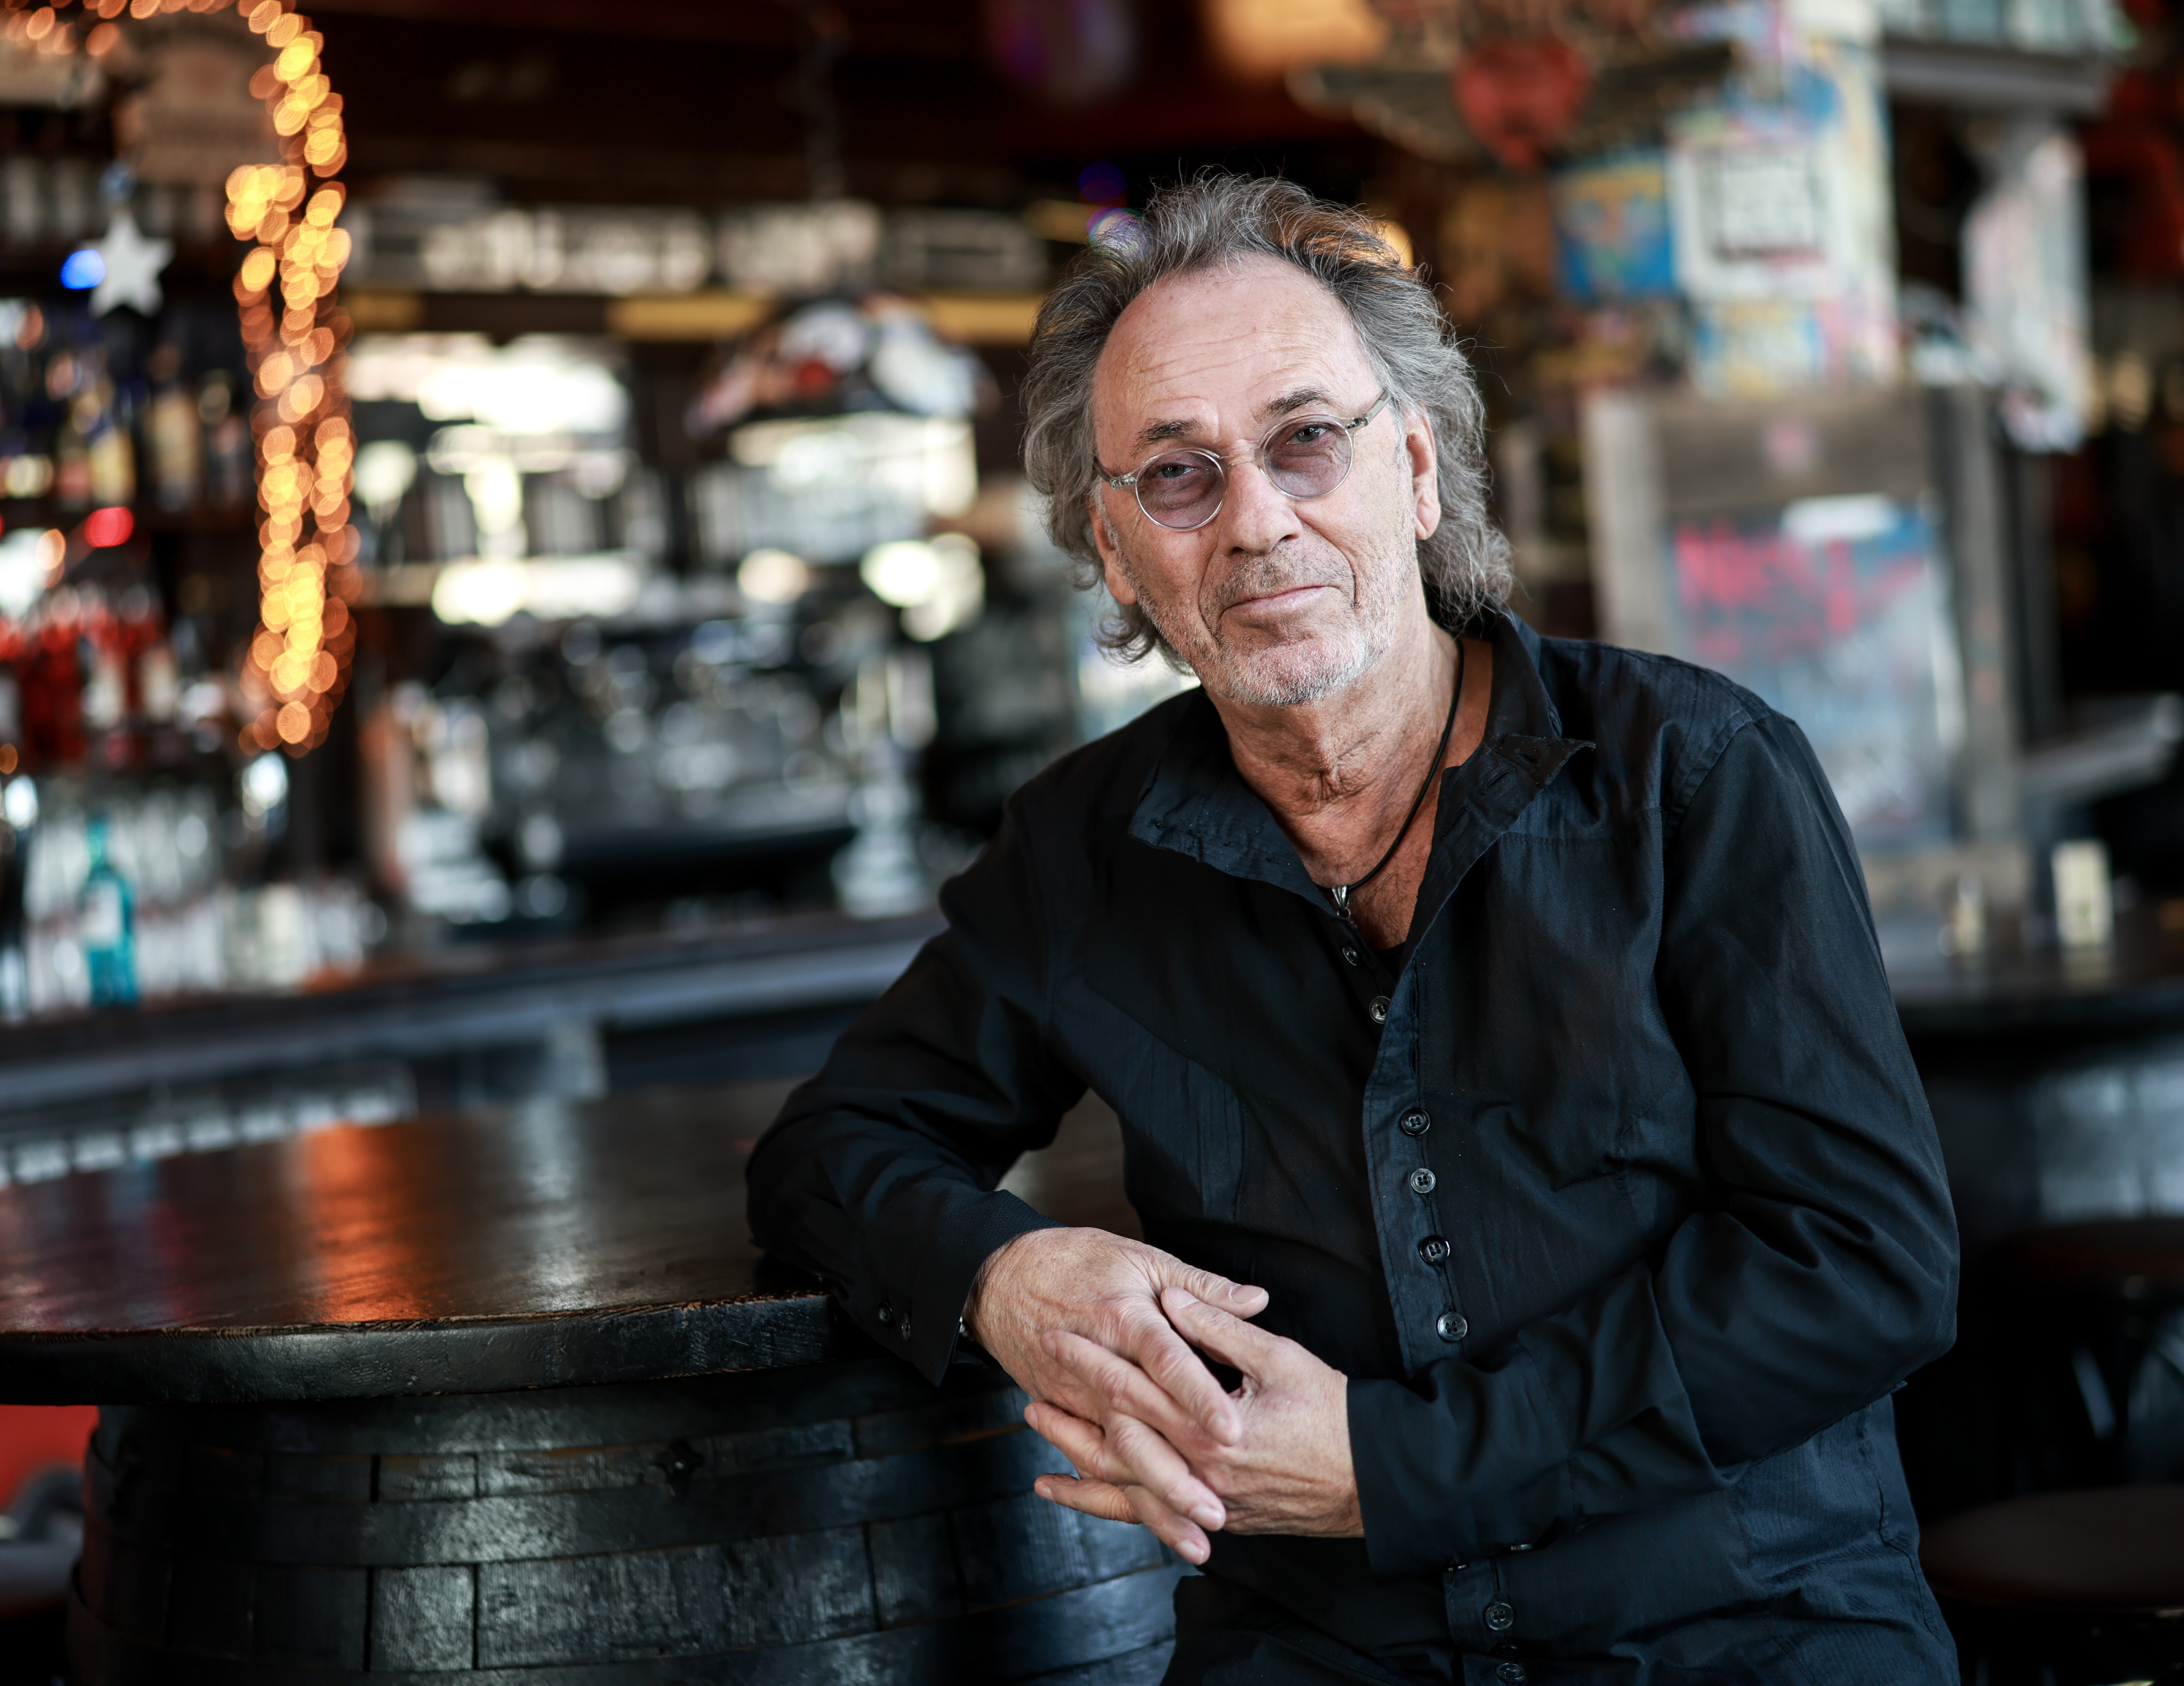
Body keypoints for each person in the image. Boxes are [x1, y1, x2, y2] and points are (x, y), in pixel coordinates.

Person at [746, 173, 1959, 1684]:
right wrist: (1005, 1274)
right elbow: (827, 1151)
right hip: (1321, 1654)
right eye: (1177, 477)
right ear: (1116, 556)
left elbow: (1859, 1264)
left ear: (1414, 470)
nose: (1256, 520)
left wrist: (1396, 1462)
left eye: (1303, 441)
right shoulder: (1077, 846)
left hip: (1738, 1624)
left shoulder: (1691, 772)